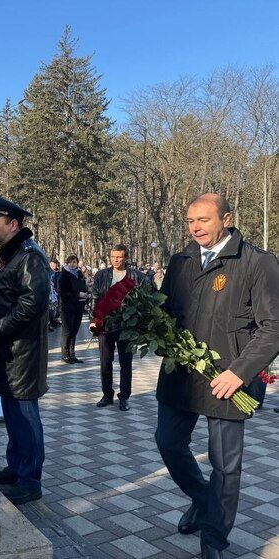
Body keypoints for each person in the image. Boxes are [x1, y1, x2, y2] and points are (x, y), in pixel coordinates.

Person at [154, 194, 279, 559]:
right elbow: (166, 314)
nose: (195, 227)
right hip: (182, 377)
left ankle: (214, 539)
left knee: (225, 466)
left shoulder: (257, 262)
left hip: (228, 382)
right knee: (168, 443)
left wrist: (239, 373)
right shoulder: (181, 261)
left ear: (226, 219)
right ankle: (202, 498)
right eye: (190, 220)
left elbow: (273, 328)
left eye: (204, 220)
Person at [0, 194, 50, 505]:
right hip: (8, 351)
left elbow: (31, 305)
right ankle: (16, 468)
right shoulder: (10, 254)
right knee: (12, 413)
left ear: (13, 224)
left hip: (22, 351)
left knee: (25, 415)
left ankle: (30, 479)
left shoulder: (29, 256)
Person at [91, 244, 149, 411]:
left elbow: (147, 297)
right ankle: (107, 395)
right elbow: (95, 298)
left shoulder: (137, 276)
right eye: (113, 257)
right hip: (105, 326)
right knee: (105, 362)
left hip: (127, 327)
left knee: (126, 363)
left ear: (126, 258)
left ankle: (124, 397)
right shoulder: (101, 276)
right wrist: (95, 320)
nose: (115, 260)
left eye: (119, 257)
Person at [58, 255, 87, 364]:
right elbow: (62, 292)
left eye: (74, 262)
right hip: (67, 307)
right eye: (70, 262)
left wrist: (85, 294)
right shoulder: (63, 275)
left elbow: (83, 287)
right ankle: (65, 355)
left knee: (74, 331)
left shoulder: (79, 273)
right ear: (67, 263)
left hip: (78, 306)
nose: (72, 264)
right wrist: (77, 294)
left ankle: (72, 354)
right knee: (67, 331)